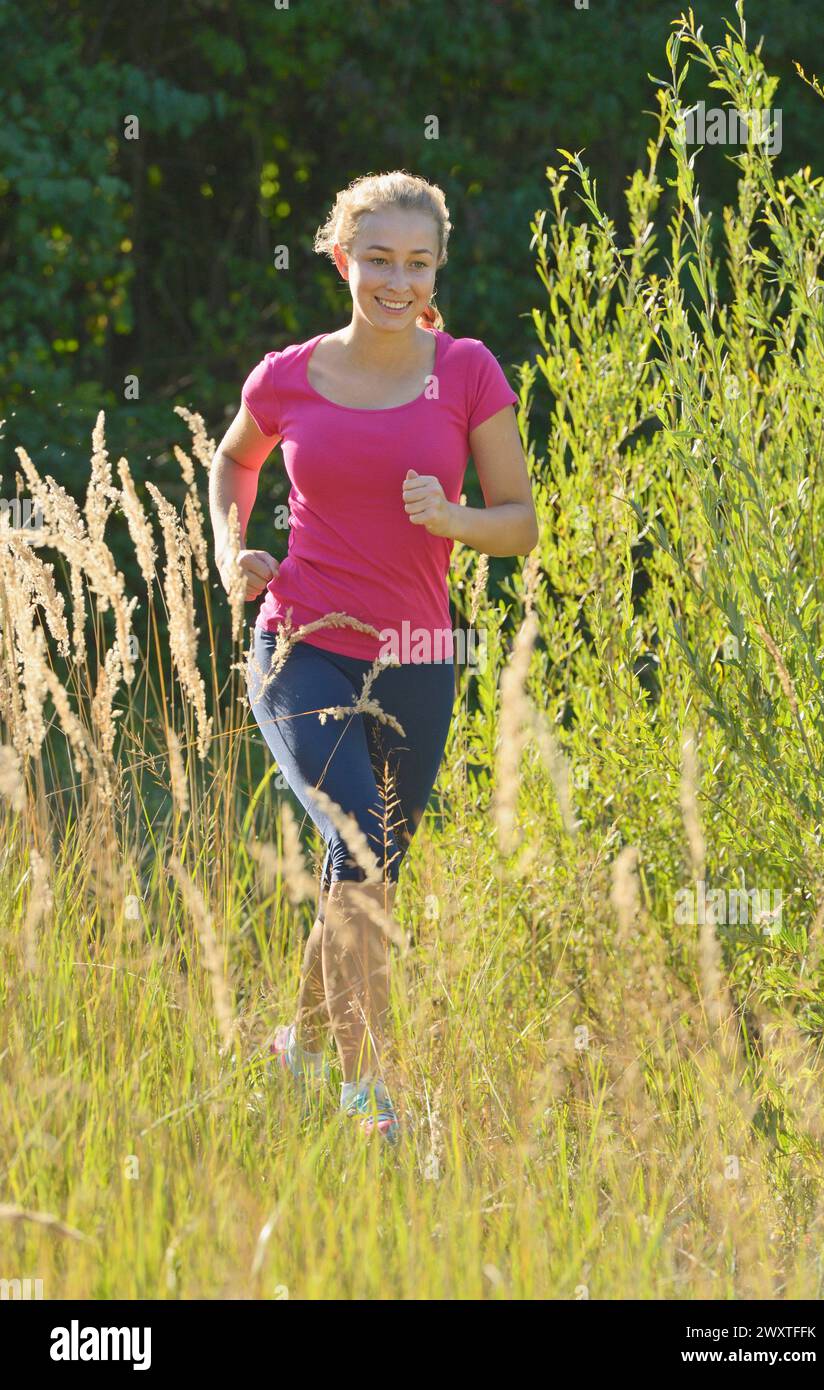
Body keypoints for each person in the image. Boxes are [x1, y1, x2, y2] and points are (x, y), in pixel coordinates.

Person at [209, 170, 538, 1144]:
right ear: (341, 257)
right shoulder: (286, 375)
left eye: (417, 261)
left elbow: (519, 522)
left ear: (436, 266)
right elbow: (233, 461)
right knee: (357, 847)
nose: (396, 279)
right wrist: (234, 549)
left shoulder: (467, 370)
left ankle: (297, 1051)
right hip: (300, 640)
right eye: (378, 259)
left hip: (417, 655)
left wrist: (455, 519)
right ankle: (367, 1093)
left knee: (364, 871)